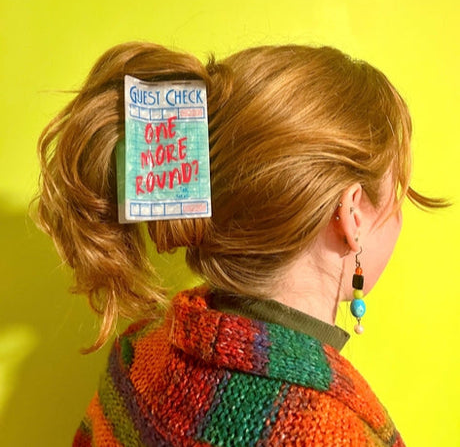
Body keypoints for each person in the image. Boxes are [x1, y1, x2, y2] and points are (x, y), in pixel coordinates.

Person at [35, 42, 444, 446]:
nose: (400, 216)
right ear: (351, 214)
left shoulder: (137, 358)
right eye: (398, 195)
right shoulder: (336, 436)